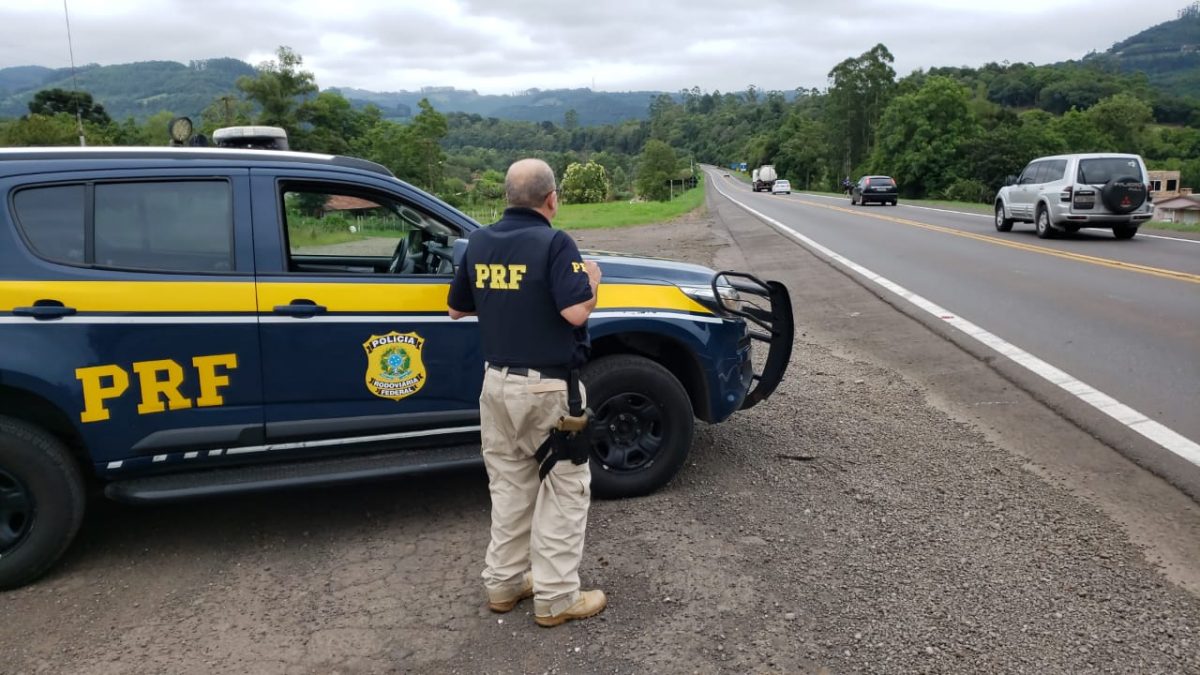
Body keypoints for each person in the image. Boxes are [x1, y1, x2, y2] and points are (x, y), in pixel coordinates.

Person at [447, 158, 607, 627]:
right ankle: (557, 598)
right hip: (548, 389)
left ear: (508, 197)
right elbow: (577, 312)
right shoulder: (556, 242)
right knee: (564, 488)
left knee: (511, 485)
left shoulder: (478, 241)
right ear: (551, 199)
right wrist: (593, 282)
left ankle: (504, 583)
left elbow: (456, 310)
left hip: (495, 385)